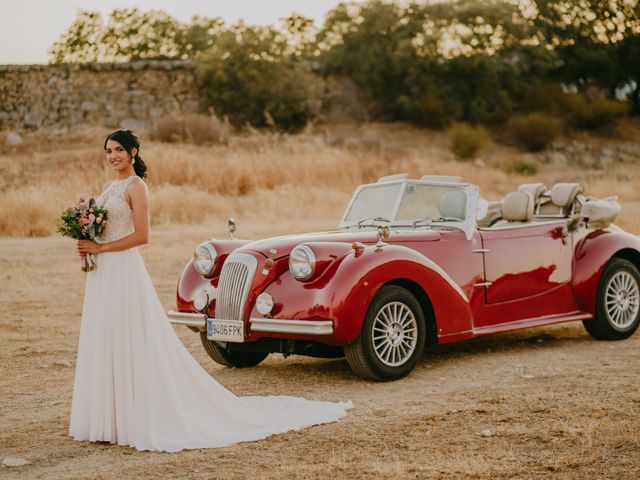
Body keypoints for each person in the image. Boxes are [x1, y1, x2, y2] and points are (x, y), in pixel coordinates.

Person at [71, 129, 352, 452]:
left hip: (123, 269)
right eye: (108, 151)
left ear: (134, 153)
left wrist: (101, 248)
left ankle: (138, 414)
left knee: (129, 335)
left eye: (119, 149)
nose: (113, 156)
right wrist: (90, 242)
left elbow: (142, 237)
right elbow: (105, 229)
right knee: (106, 335)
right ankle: (110, 417)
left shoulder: (137, 187)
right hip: (104, 272)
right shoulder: (110, 187)